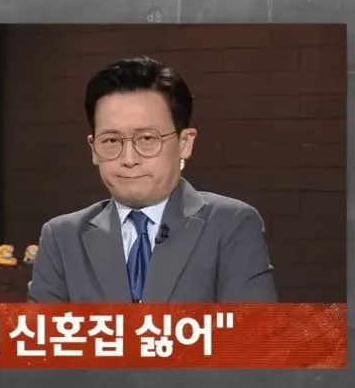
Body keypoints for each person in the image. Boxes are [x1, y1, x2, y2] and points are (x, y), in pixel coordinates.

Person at [28, 56, 277, 303]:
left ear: (185, 143)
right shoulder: (62, 238)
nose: (129, 159)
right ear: (93, 148)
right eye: (111, 140)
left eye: (147, 138)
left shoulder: (231, 225)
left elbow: (250, 328)